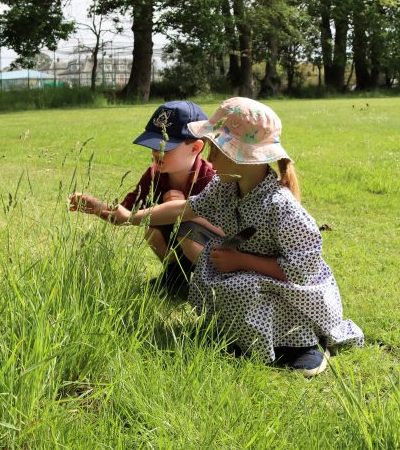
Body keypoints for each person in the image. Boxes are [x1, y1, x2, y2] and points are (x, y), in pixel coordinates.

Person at [70, 97, 364, 376]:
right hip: (254, 276)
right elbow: (185, 209)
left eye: (216, 150)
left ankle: (302, 343)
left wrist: (241, 260)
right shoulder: (224, 188)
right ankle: (244, 338)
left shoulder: (281, 207)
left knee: (242, 285)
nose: (210, 158)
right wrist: (132, 217)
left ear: (242, 157)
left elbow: (303, 271)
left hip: (295, 293)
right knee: (229, 284)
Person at [70, 100, 223, 296]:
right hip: (181, 244)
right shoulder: (154, 176)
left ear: (195, 148)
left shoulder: (210, 179)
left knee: (188, 231)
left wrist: (185, 210)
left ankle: (211, 288)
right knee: (153, 229)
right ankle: (177, 278)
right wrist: (99, 208)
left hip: (215, 249)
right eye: (152, 144)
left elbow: (227, 229)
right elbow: (128, 215)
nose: (155, 152)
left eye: (165, 147)